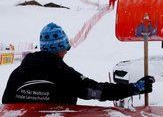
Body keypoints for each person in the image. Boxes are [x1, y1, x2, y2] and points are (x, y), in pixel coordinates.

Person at [2, 22, 155, 104]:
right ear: (59, 49)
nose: (66, 52)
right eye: (65, 48)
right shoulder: (63, 74)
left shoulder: (17, 73)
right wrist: (134, 88)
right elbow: (98, 91)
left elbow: (6, 105)